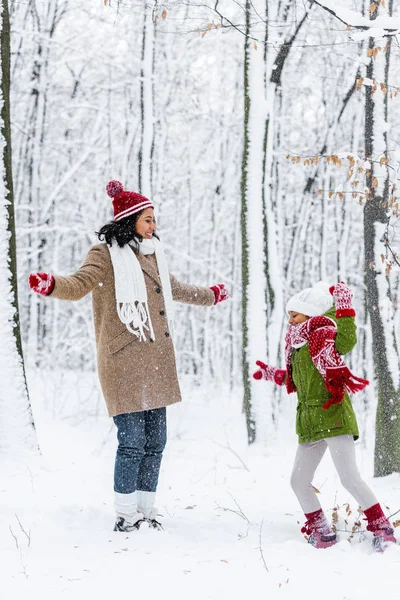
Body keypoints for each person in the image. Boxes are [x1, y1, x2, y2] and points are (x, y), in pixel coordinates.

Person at [29, 180, 230, 532]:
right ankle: (125, 515)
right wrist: (52, 285)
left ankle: (145, 510)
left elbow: (176, 289)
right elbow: (79, 283)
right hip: (123, 359)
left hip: (156, 359)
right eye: (148, 219)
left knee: (156, 441)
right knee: (133, 440)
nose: (154, 226)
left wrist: (210, 294)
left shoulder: (153, 255)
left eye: (154, 220)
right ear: (130, 219)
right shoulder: (104, 254)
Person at [253, 281, 396, 551]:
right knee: (298, 481)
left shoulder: (324, 334)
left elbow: (347, 340)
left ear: (310, 313)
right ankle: (321, 532)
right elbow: (298, 379)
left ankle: (382, 528)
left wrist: (344, 307)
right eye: (288, 315)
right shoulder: (297, 346)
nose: (290, 319)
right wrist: (273, 374)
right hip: (310, 422)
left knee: (349, 477)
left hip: (333, 416)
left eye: (294, 314)